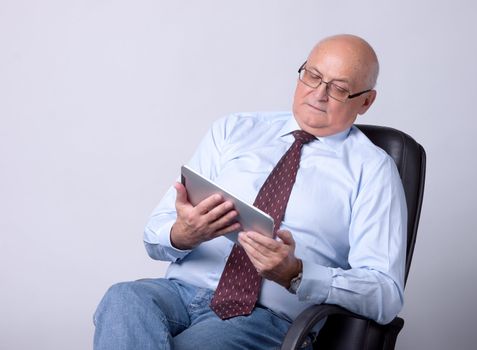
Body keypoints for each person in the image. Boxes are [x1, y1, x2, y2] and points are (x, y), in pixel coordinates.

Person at [93, 34, 407, 350]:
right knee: (122, 299)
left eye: (339, 88)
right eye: (312, 76)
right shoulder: (234, 130)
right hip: (178, 293)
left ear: (366, 101)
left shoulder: (374, 170)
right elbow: (153, 237)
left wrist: (296, 274)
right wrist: (183, 234)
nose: (318, 94)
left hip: (263, 318)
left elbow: (385, 294)